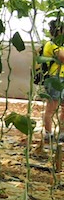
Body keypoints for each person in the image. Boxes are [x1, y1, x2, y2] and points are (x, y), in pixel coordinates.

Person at [40, 19, 64, 151]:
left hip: (62, 77)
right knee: (52, 107)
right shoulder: (51, 44)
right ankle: (48, 133)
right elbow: (62, 58)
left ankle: (62, 133)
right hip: (55, 77)